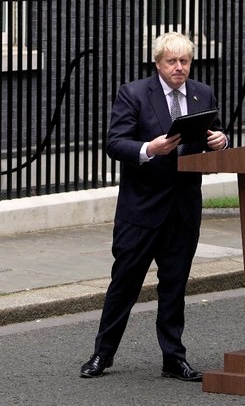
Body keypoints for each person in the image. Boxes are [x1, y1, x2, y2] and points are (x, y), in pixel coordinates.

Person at [80, 32, 228, 381]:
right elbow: (115, 143)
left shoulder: (201, 93)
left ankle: (173, 358)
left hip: (183, 207)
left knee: (174, 285)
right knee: (125, 284)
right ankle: (102, 354)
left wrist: (221, 140)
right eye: (172, 61)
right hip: (142, 209)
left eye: (185, 61)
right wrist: (149, 148)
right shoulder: (133, 94)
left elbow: (214, 134)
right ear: (157, 62)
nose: (180, 68)